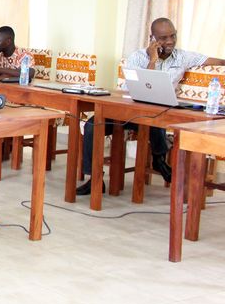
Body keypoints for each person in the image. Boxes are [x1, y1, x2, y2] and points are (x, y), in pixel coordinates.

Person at [77, 18, 225, 195]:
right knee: (92, 126)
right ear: (152, 38)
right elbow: (135, 88)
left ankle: (159, 159)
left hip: (156, 115)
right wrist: (153, 60)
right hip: (127, 113)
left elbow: (215, 61)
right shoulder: (137, 57)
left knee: (156, 116)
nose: (169, 41)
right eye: (163, 38)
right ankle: (95, 179)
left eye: (172, 36)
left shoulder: (184, 56)